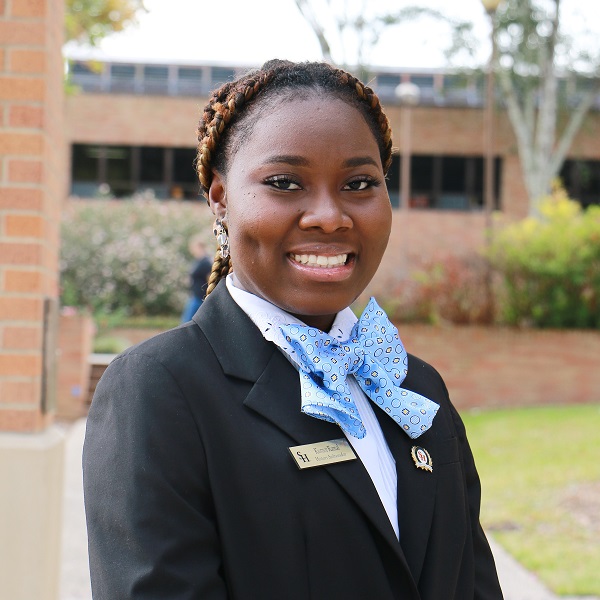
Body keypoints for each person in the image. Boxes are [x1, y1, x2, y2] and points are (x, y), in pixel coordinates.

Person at [83, 60, 503, 599]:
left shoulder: (417, 390)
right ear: (220, 199)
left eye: (358, 183)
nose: (329, 216)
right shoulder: (159, 389)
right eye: (284, 183)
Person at [181, 234, 212, 323]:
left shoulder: (205, 262)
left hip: (200, 298)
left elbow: (210, 280)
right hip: (194, 296)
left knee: (186, 323)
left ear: (199, 247)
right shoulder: (197, 261)